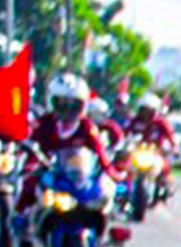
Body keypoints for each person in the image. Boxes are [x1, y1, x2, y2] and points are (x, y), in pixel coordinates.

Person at [22, 73, 113, 206]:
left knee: (100, 197)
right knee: (29, 187)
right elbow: (31, 145)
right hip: (50, 175)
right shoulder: (43, 124)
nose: (68, 108)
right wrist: (31, 164)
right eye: (62, 103)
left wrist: (110, 170)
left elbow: (99, 150)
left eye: (74, 104)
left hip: (78, 178)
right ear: (52, 101)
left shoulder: (86, 126)